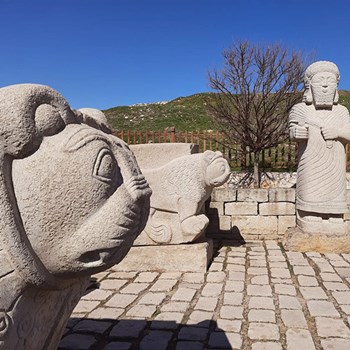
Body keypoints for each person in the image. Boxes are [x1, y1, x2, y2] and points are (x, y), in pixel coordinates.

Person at [289, 61, 350, 233]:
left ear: (336, 86)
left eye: (330, 81)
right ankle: (309, 213)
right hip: (311, 160)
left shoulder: (342, 112)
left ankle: (334, 215)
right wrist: (297, 133)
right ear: (309, 85)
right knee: (310, 190)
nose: (325, 85)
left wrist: (337, 132)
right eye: (320, 80)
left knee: (335, 198)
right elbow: (292, 131)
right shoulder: (300, 109)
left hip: (335, 163)